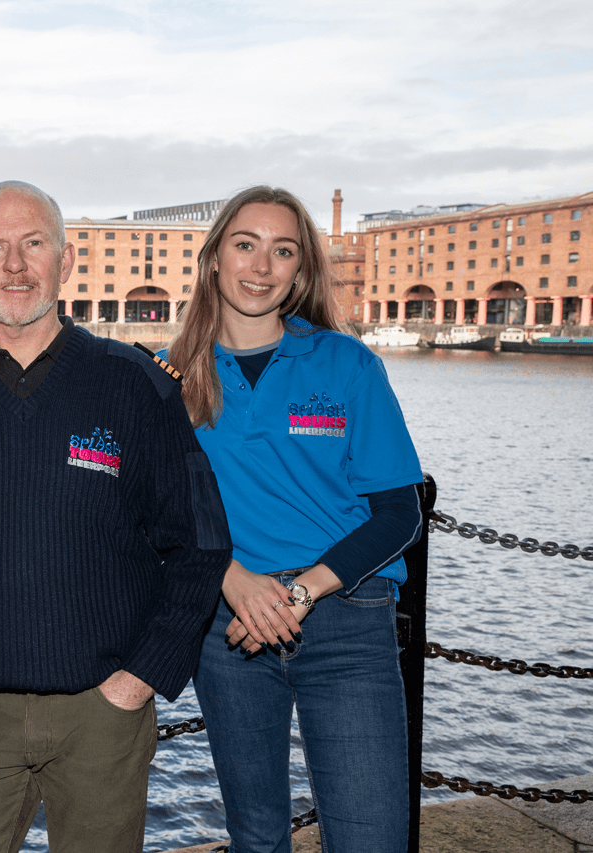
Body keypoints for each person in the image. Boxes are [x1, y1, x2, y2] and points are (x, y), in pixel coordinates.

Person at [0, 180, 231, 852]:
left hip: (106, 712)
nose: (15, 265)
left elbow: (200, 544)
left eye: (33, 244)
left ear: (66, 261)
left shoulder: (136, 386)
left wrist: (142, 677)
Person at [161, 186, 423, 853]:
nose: (261, 265)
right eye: (245, 244)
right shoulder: (172, 379)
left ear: (300, 270)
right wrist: (231, 577)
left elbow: (399, 511)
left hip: (344, 618)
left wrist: (303, 589)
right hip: (230, 625)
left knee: (373, 839)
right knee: (256, 839)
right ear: (215, 257)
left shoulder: (347, 364)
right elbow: (155, 510)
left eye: (283, 250)